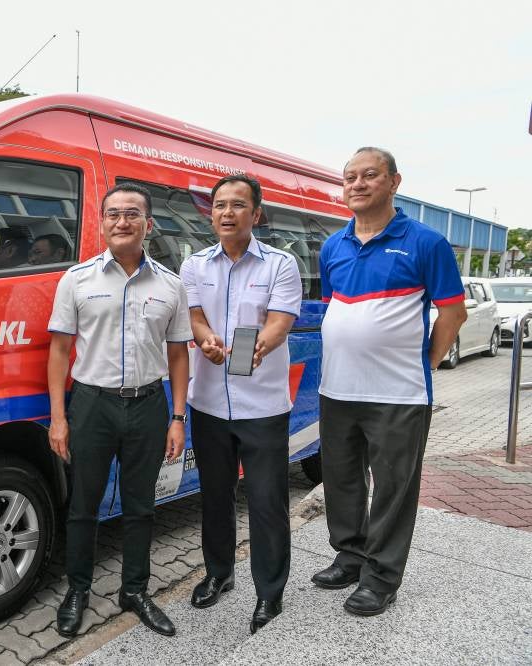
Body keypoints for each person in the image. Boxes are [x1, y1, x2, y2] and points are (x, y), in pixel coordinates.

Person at [311, 147, 466, 616]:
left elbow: (453, 312)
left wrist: (428, 362)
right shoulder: (333, 246)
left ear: (394, 182)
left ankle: (380, 577)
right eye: (350, 177)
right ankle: (350, 557)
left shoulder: (426, 242)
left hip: (398, 394)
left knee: (394, 488)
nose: (357, 184)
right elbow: (334, 309)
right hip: (337, 389)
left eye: (369, 175)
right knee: (341, 480)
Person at [47, 182, 191, 638]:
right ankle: (78, 590)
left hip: (149, 405)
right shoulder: (77, 279)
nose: (122, 221)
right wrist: (58, 418)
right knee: (83, 505)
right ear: (102, 222)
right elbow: (59, 351)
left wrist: (178, 417)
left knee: (141, 506)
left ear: (149, 224)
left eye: (132, 214)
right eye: (113, 213)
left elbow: (178, 354)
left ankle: (135, 590)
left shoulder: (171, 285)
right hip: (92, 405)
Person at [178, 175, 302, 634]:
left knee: (268, 501)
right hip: (209, 402)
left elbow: (280, 321)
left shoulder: (280, 264)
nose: (227, 213)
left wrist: (256, 348)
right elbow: (194, 316)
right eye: (219, 205)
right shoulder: (194, 265)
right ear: (210, 213)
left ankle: (269, 592)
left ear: (256, 213)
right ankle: (219, 573)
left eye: (237, 205)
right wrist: (205, 339)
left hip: (263, 406)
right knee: (215, 495)